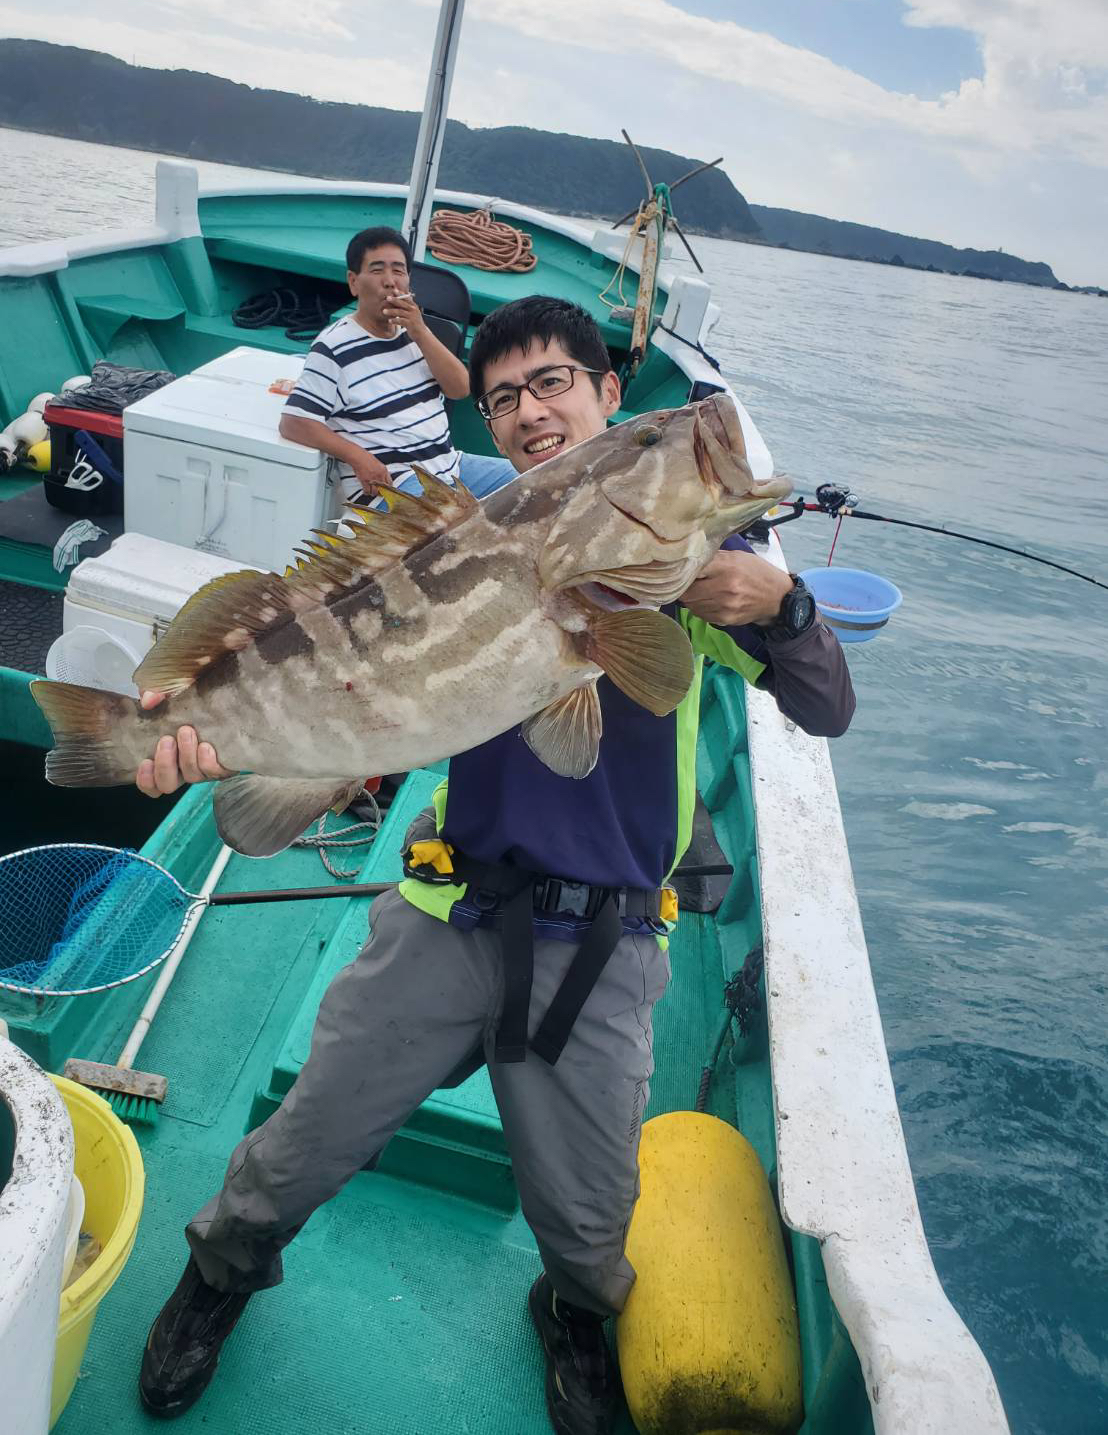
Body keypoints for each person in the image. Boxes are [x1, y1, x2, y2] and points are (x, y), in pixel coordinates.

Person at [136, 297, 855, 1435]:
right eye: (506, 395)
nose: (530, 410)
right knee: (295, 1149)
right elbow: (319, 682)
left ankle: (570, 1309)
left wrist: (786, 605)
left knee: (586, 1219)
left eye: (556, 381)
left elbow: (824, 704)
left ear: (608, 397)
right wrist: (202, 731)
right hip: (445, 904)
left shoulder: (700, 577)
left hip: (607, 948)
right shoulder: (458, 523)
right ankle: (215, 1278)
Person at [280, 225, 516, 503]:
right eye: (377, 270)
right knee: (459, 528)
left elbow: (460, 388)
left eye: (399, 270)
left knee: (534, 478)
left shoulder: (414, 334)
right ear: (354, 282)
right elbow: (294, 422)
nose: (390, 281)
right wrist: (359, 457)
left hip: (449, 468)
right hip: (395, 486)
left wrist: (420, 331)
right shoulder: (333, 347)